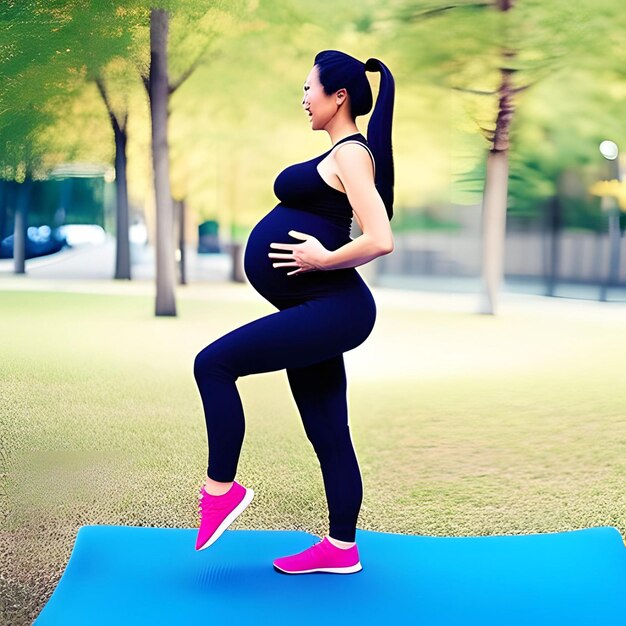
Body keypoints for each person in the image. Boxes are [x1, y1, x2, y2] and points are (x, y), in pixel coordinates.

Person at [193, 49, 395, 575]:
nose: (304, 99)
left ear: (339, 96)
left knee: (212, 364)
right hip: (320, 307)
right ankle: (341, 549)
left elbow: (381, 238)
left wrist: (324, 258)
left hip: (335, 307)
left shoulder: (352, 153)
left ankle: (220, 491)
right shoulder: (342, 152)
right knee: (328, 431)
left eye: (310, 88)